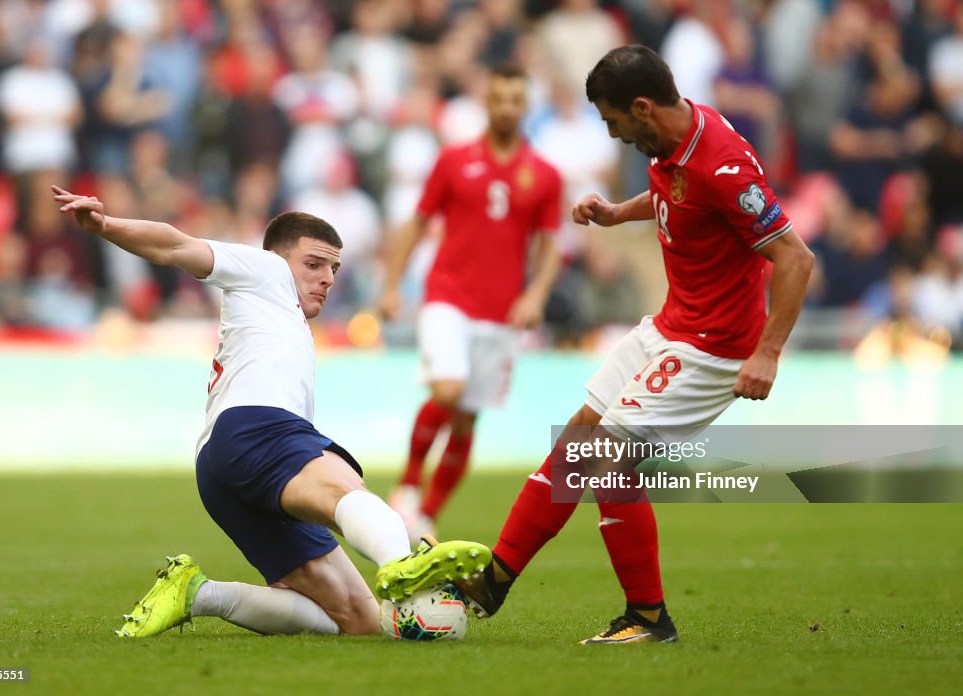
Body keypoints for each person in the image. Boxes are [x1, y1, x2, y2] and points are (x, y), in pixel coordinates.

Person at [456, 45, 815, 644]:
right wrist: (618, 213)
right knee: (578, 438)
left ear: (642, 108)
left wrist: (769, 351)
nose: (612, 133)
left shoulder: (725, 164)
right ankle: (495, 577)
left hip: (714, 346)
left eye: (612, 120)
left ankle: (648, 617)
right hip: (672, 323)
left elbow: (795, 258)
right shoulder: (677, 139)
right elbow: (679, 195)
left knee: (607, 458)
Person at [51, 185, 491, 638]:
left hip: (219, 468)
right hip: (258, 429)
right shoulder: (265, 271)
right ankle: (401, 562)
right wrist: (106, 226)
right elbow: (175, 244)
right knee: (342, 489)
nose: (328, 278)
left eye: (335, 269)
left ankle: (199, 594)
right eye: (315, 264)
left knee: (361, 623)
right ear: (279, 258)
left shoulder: (280, 314)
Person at [380, 65, 563, 542]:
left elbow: (549, 245)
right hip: (448, 295)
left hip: (501, 311)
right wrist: (392, 284)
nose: (506, 108)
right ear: (486, 103)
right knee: (448, 390)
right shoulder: (453, 161)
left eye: (515, 100)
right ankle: (405, 488)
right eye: (498, 98)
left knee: (466, 417)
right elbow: (417, 224)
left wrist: (535, 294)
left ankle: (428, 516)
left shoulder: (544, 176)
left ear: (526, 107)